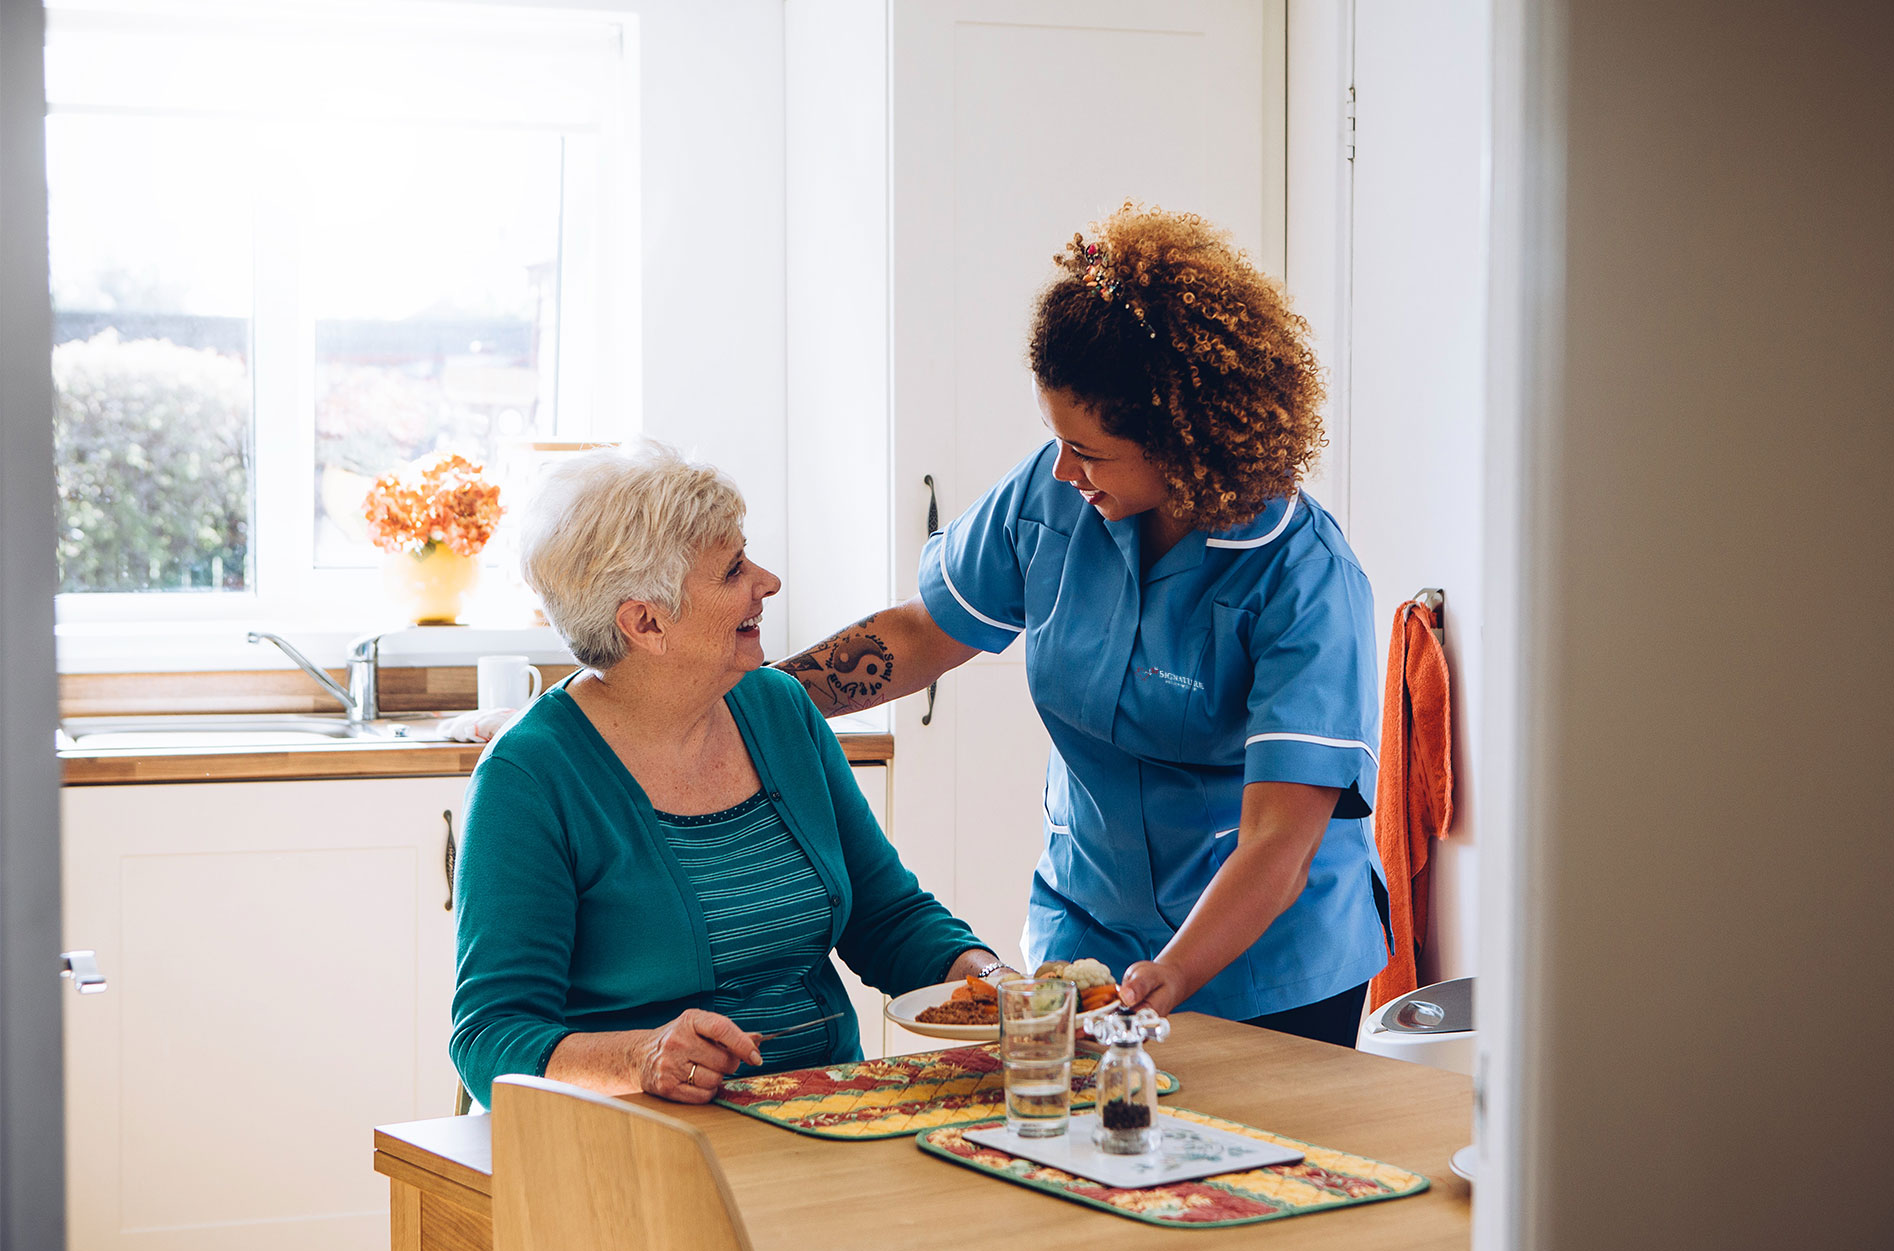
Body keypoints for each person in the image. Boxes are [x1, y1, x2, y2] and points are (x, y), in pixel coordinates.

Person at [778, 204, 1390, 1047]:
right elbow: (923, 633)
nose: (1064, 469)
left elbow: (1281, 840)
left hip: (1265, 965)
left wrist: (1173, 974)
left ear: (1185, 439)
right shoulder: (1055, 492)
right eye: (1055, 439)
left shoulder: (1304, 577)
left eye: (1091, 452)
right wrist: (759, 701)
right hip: (1088, 934)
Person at [450, 443, 1003, 1110]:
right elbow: (490, 1037)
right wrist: (644, 1057)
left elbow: (886, 918)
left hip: (823, 1113)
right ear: (646, 622)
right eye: (733, 569)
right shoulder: (530, 776)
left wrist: (988, 979)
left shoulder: (778, 709)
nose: (766, 582)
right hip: (641, 1142)